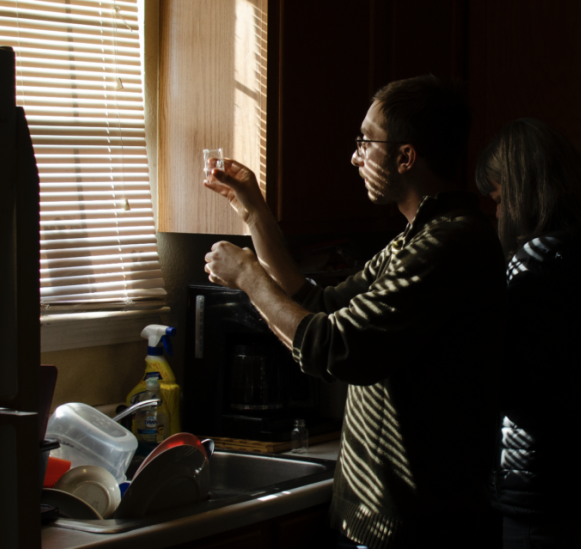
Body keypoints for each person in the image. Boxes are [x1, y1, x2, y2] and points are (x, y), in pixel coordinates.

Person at [203, 74, 506, 548]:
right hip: (390, 516)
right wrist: (254, 212)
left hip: (416, 523)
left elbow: (336, 346)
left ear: (406, 156)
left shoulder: (449, 244)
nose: (355, 155)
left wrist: (247, 278)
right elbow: (316, 305)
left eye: (366, 141)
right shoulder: (420, 237)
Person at [474, 118, 581, 548]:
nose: (496, 212)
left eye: (499, 196)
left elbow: (520, 392)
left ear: (522, 191)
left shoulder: (535, 258)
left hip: (544, 493)